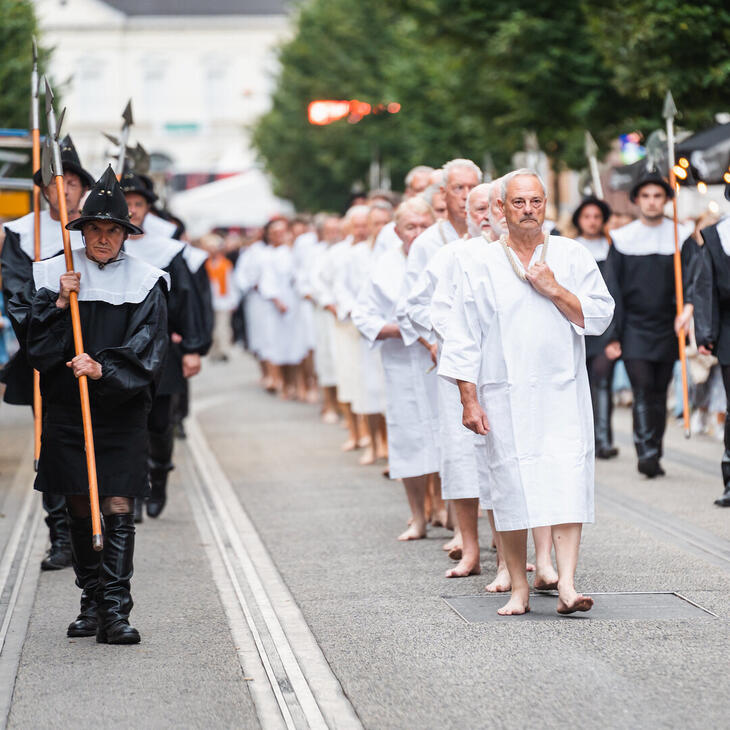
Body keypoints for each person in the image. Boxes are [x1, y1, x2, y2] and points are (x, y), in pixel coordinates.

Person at [439, 169, 614, 615]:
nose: (528, 210)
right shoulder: (478, 263)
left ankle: (569, 585)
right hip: (504, 395)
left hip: (562, 391)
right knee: (511, 486)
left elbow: (599, 316)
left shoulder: (572, 255)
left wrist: (554, 288)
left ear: (546, 203)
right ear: (500, 208)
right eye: (518, 202)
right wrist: (468, 397)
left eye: (536, 201)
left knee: (567, 479)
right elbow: (462, 335)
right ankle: (518, 586)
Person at [9, 166, 169, 643]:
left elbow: (151, 346)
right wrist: (58, 303)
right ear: (81, 231)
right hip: (67, 409)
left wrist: (103, 369)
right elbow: (36, 350)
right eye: (94, 230)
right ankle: (92, 601)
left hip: (119, 409)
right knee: (80, 503)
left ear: (125, 235)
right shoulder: (51, 274)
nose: (103, 239)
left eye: (112, 230)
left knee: (117, 501)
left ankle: (116, 610)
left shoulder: (147, 281)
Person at [1, 134, 94, 571]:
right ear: (44, 190)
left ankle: (105, 515)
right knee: (54, 443)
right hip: (49, 353)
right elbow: (17, 294)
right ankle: (60, 534)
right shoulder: (23, 235)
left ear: (81, 187)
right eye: (57, 181)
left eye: (72, 181)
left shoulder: (100, 228)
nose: (65, 188)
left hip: (97, 352)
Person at [121, 169, 210, 519]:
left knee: (159, 423)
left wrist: (191, 347)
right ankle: (135, 488)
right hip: (122, 349)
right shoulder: (110, 246)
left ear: (147, 208)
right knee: (130, 424)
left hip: (162, 351)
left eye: (138, 203)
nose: (132, 210)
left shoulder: (168, 251)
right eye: (125, 203)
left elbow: (187, 301)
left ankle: (159, 476)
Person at [352, 197, 439, 538]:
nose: (417, 233)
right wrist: (403, 330)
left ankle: (447, 512)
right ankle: (418, 516)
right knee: (408, 437)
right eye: (410, 227)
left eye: (424, 226)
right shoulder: (384, 264)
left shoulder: (446, 258)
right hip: (402, 362)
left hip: (442, 360)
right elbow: (364, 315)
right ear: (396, 231)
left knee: (448, 438)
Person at [604, 169, 695, 477]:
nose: (652, 202)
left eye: (658, 196)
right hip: (634, 327)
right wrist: (614, 333)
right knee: (642, 387)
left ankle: (655, 447)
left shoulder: (680, 236)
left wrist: (689, 310)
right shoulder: (622, 238)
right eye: (646, 196)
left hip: (669, 325)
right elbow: (613, 290)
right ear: (637, 200)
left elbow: (694, 279)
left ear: (667, 200)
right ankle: (647, 452)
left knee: (659, 389)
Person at [572, 196, 620, 459]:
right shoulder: (569, 248)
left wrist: (616, 336)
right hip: (577, 326)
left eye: (596, 217)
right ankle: (582, 440)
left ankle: (602, 440)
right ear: (579, 219)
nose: (592, 222)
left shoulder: (613, 249)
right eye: (587, 216)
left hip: (605, 331)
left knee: (601, 383)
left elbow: (616, 294)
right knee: (578, 384)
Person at [694, 190, 730, 507]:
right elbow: (705, 288)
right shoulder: (717, 235)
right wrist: (706, 332)